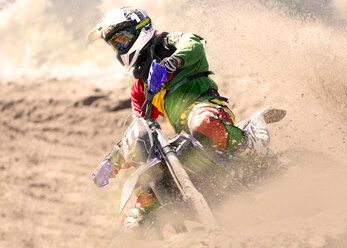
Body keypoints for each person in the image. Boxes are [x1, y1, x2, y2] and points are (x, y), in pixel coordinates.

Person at [88, 7, 271, 228]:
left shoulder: (167, 43)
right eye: (116, 44)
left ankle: (249, 143)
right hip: (186, 138)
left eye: (123, 39)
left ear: (140, 28)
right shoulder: (139, 88)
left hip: (207, 109)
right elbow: (141, 128)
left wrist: (173, 62)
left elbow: (194, 44)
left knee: (200, 122)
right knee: (150, 182)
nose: (121, 47)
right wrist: (113, 160)